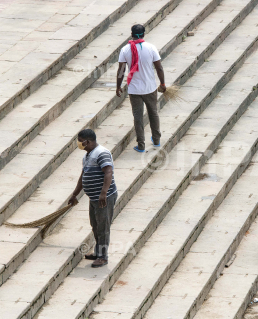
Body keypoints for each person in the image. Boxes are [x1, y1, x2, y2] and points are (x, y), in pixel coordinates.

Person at [69, 129, 118, 268]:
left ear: (88, 141)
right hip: (94, 197)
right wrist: (74, 194)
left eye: (80, 140)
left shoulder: (101, 153)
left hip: (104, 198)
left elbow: (108, 172)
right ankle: (98, 252)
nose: (79, 143)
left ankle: (103, 257)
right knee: (95, 225)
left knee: (103, 227)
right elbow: (83, 176)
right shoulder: (87, 156)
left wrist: (103, 193)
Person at [116, 24, 166, 153]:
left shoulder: (125, 50)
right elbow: (159, 68)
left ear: (131, 34)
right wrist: (163, 84)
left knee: (138, 117)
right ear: (144, 34)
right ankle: (156, 140)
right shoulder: (151, 48)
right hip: (150, 88)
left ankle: (141, 145)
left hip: (134, 90)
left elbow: (121, 71)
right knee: (153, 113)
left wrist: (118, 86)